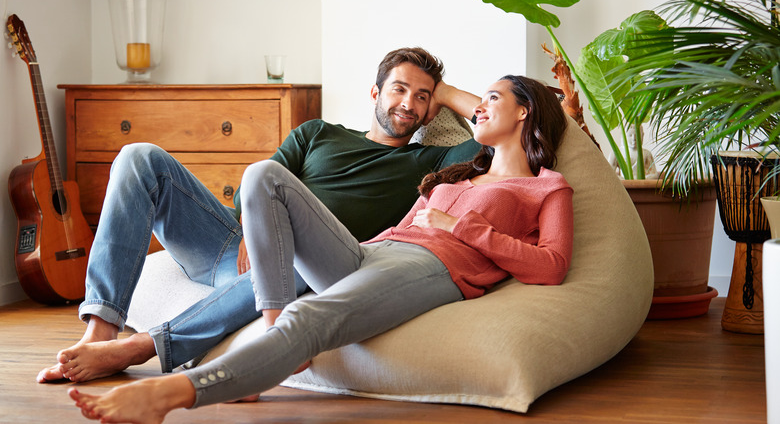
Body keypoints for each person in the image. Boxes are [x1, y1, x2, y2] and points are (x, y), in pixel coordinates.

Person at [68, 75, 575, 423]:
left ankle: (174, 392)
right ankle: (269, 334)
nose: (480, 106)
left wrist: (467, 229)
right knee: (261, 174)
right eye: (399, 88)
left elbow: (552, 267)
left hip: (433, 265)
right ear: (376, 91)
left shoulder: (547, 187)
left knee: (310, 320)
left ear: (525, 110)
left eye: (493, 98)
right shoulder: (461, 173)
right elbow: (397, 231)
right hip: (374, 251)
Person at [37, 47, 482, 383]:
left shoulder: (429, 162)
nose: (409, 103)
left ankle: (141, 347)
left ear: (431, 109)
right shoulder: (318, 133)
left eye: (422, 97)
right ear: (375, 92)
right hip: (233, 248)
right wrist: (254, 232)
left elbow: (495, 133)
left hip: (302, 265)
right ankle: (100, 329)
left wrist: (443, 92)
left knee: (297, 257)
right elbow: (260, 184)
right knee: (138, 157)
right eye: (399, 88)